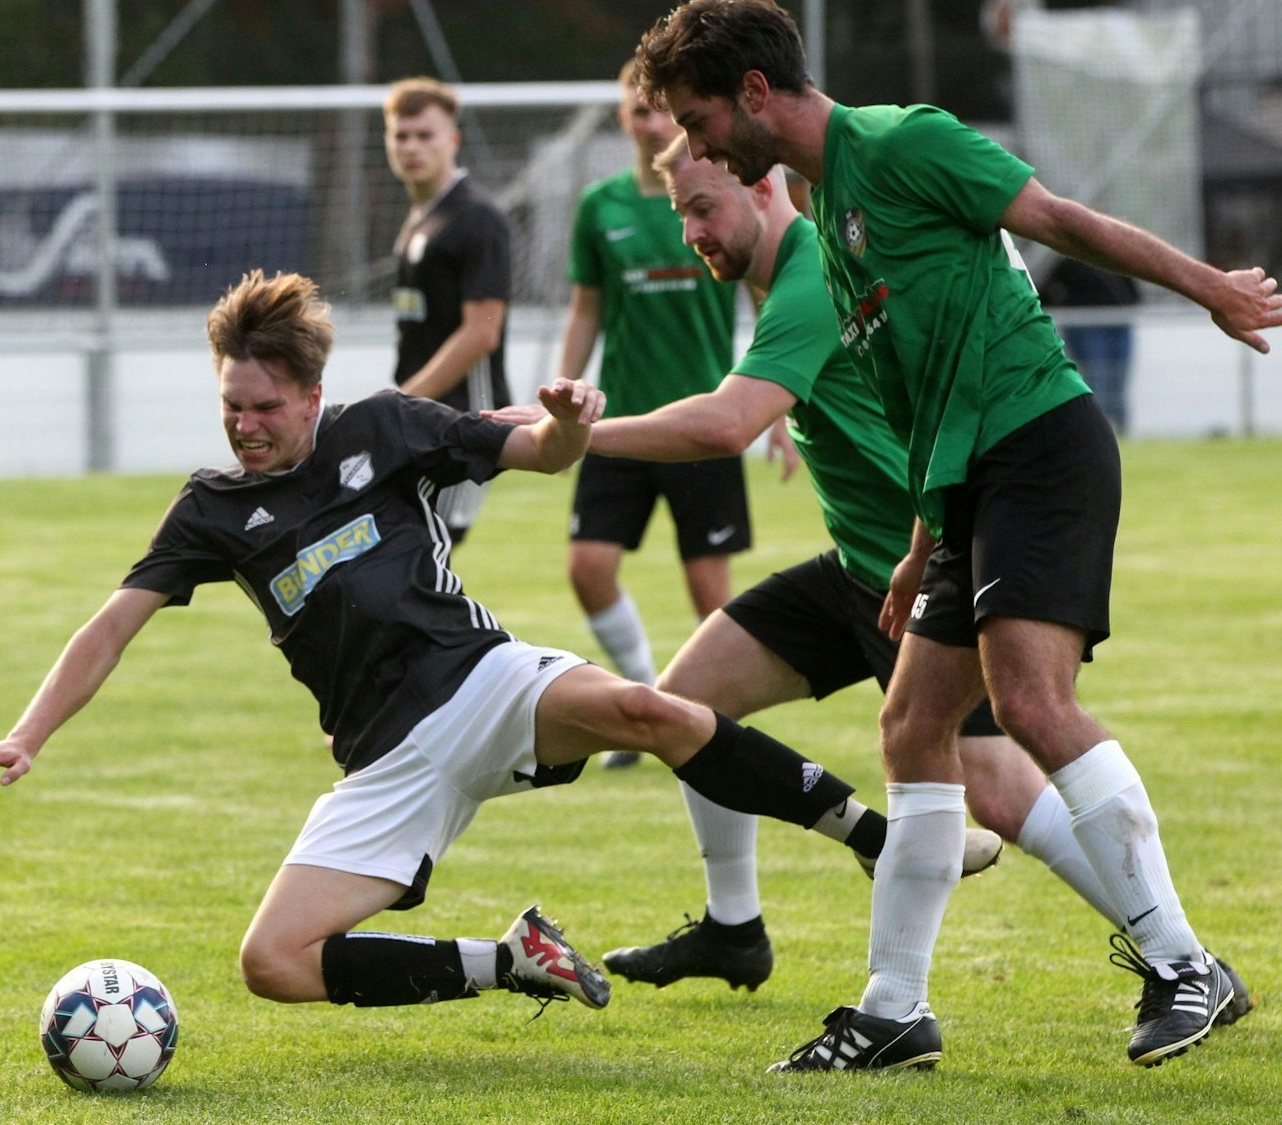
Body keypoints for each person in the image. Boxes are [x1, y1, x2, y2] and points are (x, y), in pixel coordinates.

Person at [0, 269, 943, 1020]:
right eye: (231, 407)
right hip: (386, 759)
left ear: (312, 395)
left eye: (263, 407)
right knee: (273, 962)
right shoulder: (210, 510)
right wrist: (25, 734)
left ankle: (870, 836)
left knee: (647, 708)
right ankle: (508, 960)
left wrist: (569, 425)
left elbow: (535, 451)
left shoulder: (383, 428)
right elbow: (110, 627)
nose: (244, 426)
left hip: (481, 681)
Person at [635, 0, 1278, 1070]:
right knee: (909, 727)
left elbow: (1060, 219)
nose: (696, 144)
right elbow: (918, 400)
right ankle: (893, 1013)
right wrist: (918, 542)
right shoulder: (828, 217)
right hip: (966, 485)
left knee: (1029, 703)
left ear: (752, 93)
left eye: (698, 121)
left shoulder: (900, 142)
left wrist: (1209, 289)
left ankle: (1183, 965)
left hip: (1040, 439)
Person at [491, 137, 1190, 1006]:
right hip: (866, 564)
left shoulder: (814, 271)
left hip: (920, 569)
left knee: (1004, 793)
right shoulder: (783, 274)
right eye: (680, 214)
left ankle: (1180, 955)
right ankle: (736, 926)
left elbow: (724, 424)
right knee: (686, 702)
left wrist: (568, 439)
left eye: (703, 207)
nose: (691, 232)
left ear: (763, 185)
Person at [554, 62, 745, 746]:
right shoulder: (600, 206)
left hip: (703, 424)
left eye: (663, 110)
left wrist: (778, 407)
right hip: (621, 423)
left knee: (709, 591)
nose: (653, 123)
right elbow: (586, 310)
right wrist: (561, 395)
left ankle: (723, 731)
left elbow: (764, 291)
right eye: (639, 111)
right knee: (588, 569)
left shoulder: (716, 194)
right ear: (622, 119)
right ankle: (643, 692)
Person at [384, 77, 512, 549]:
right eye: (401, 135)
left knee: (420, 554)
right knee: (402, 559)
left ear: (452, 139)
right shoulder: (419, 218)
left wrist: (401, 400)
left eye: (425, 135)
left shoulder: (476, 218)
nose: (411, 147)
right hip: (421, 419)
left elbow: (482, 333)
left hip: (462, 425)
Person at [1043, 258, 1140, 434]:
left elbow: (1133, 291)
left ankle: (1120, 431)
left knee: (1117, 382)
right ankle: (1100, 432)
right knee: (1097, 381)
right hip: (1087, 327)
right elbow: (1047, 292)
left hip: (1118, 323)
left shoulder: (1115, 258)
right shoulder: (1071, 263)